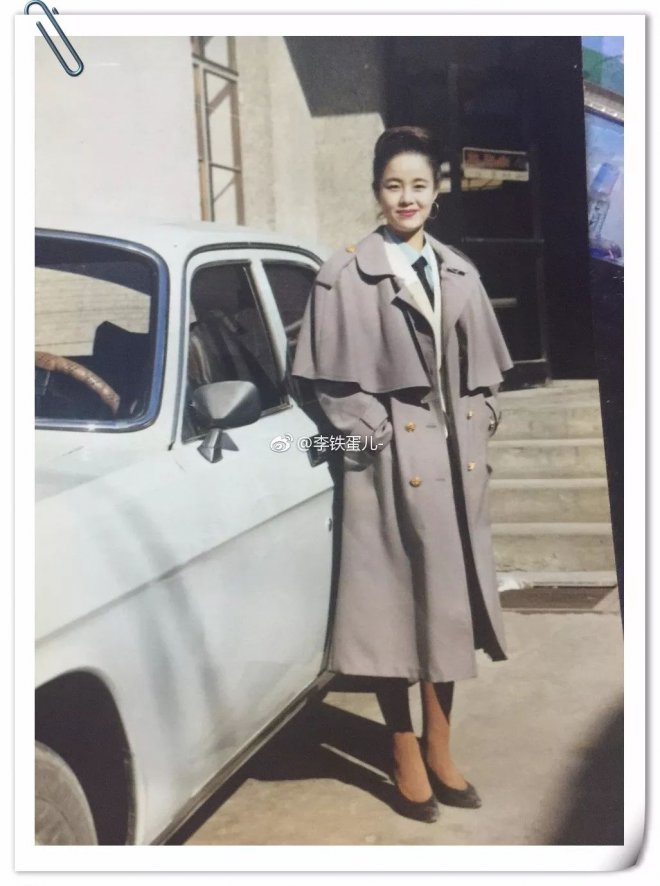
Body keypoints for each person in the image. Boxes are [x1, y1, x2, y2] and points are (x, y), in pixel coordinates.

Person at [291, 126, 513, 823]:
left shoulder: (459, 271)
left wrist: (481, 419)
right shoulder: (344, 272)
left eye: (419, 185)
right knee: (392, 608)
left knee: (448, 607)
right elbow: (325, 383)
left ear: (437, 192)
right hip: (387, 465)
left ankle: (440, 746)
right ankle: (402, 748)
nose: (406, 198)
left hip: (453, 467)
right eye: (393, 186)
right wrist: (374, 433)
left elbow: (485, 374)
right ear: (376, 192)